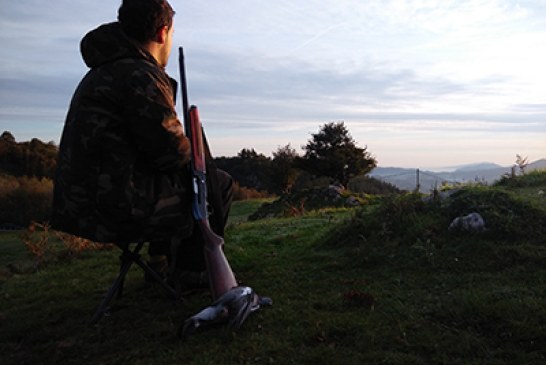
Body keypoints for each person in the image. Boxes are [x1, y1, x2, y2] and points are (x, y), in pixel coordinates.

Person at [52, 0, 232, 284]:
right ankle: (191, 271)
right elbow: (170, 155)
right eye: (172, 34)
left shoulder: (105, 70)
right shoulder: (140, 75)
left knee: (180, 180)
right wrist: (192, 148)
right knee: (215, 184)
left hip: (79, 205)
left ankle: (159, 261)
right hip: (114, 208)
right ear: (162, 32)